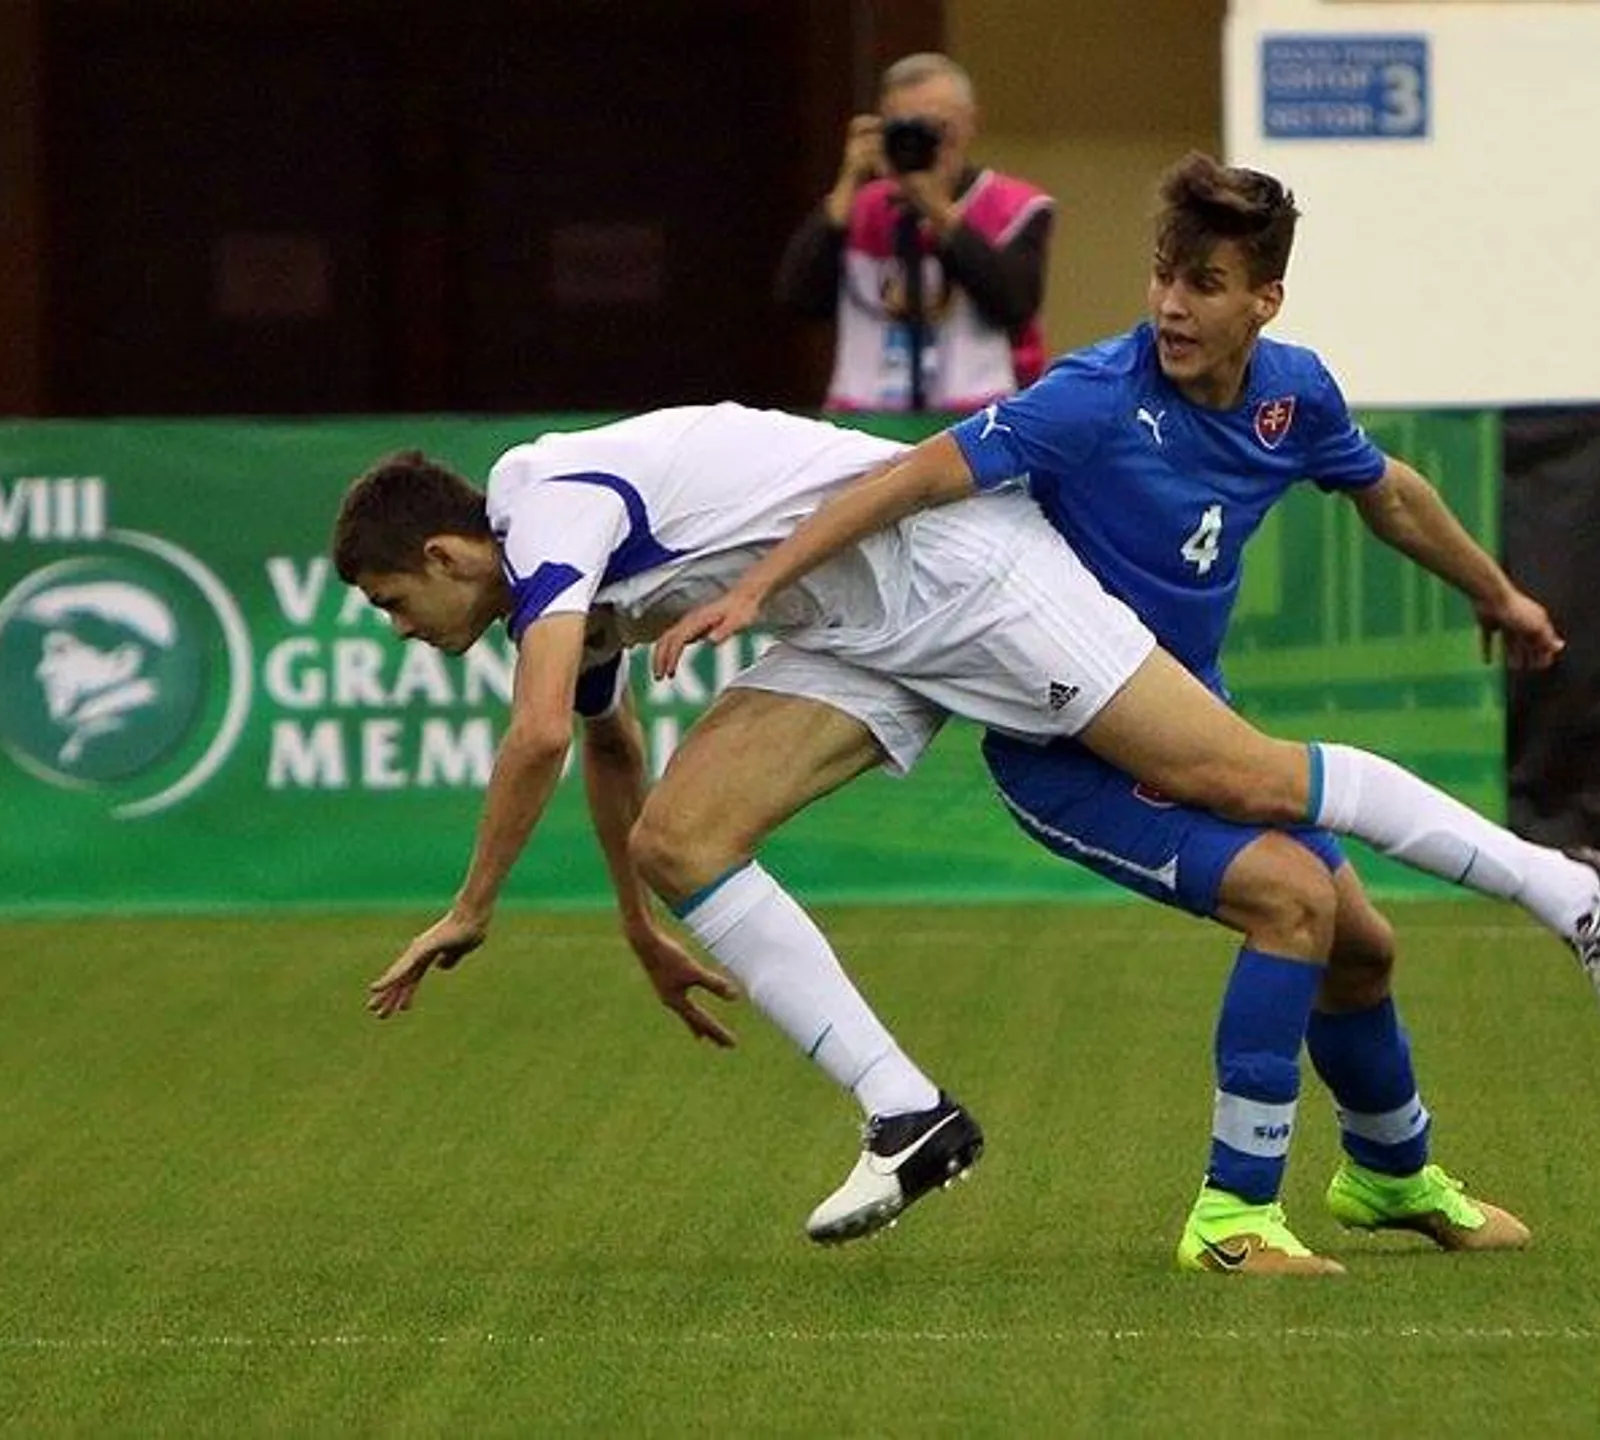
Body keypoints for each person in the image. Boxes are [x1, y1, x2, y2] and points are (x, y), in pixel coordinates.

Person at [335, 398, 1600, 1253]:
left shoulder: (549, 508)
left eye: (395, 603)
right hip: (852, 627)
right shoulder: (552, 569)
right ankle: (908, 1115)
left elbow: (538, 736)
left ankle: (1564, 889)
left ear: (448, 555)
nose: (402, 631)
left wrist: (473, 907)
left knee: (1247, 778)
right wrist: (636, 924)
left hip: (959, 572)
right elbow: (607, 745)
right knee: (683, 842)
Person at [652, 152, 1600, 1272]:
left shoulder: (1293, 395)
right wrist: (760, 586)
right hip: (1069, 750)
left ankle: (1390, 1174)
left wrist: (1496, 593)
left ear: (1265, 301)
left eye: (1204, 283)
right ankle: (1234, 1218)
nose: (1171, 305)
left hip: (1188, 717)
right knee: (1293, 900)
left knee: (1363, 950)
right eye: (1162, 274)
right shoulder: (1096, 395)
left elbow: (1386, 491)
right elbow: (909, 478)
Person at [776, 52, 1051, 414]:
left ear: (971, 123)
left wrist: (938, 210)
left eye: (940, 127)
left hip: (974, 417)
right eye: (905, 128)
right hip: (864, 416)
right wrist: (849, 180)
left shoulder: (1014, 207)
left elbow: (1015, 304)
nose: (925, 142)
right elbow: (799, 298)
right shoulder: (858, 206)